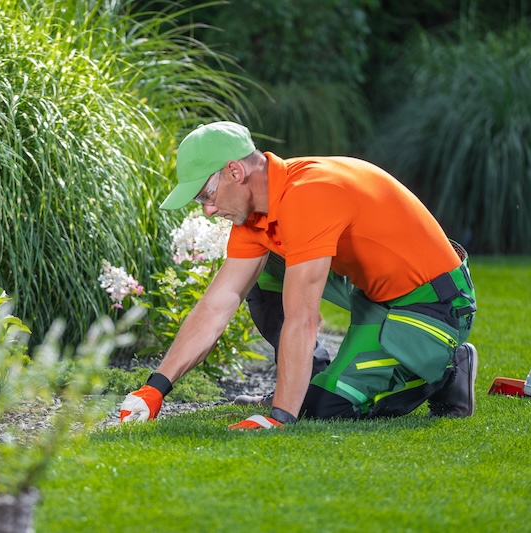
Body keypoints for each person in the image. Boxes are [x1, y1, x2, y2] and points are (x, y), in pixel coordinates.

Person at [119, 121, 478, 429]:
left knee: (326, 409)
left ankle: (447, 370)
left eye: (206, 195)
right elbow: (218, 303)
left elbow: (303, 318)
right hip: (373, 294)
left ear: (235, 172)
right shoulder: (255, 211)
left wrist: (281, 417)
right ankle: (311, 379)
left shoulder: (309, 196)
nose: (209, 209)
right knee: (258, 276)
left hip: (432, 304)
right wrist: (155, 388)